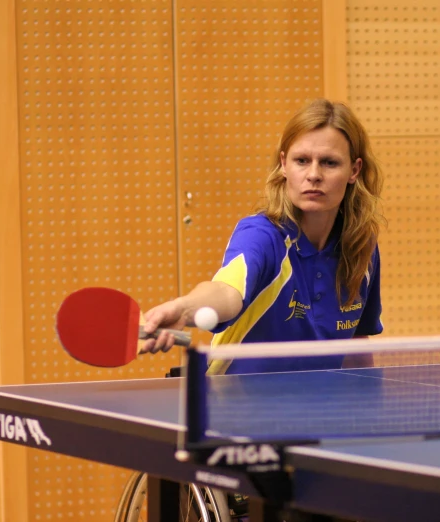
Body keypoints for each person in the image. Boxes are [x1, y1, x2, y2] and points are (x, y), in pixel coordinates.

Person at [141, 98, 385, 374]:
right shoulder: (263, 236)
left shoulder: (360, 246)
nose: (314, 175)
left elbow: (355, 344)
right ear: (284, 164)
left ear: (354, 170)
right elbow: (227, 290)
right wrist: (184, 309)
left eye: (329, 163)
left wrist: (369, 409)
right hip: (235, 407)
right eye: (302, 161)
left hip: (317, 410)